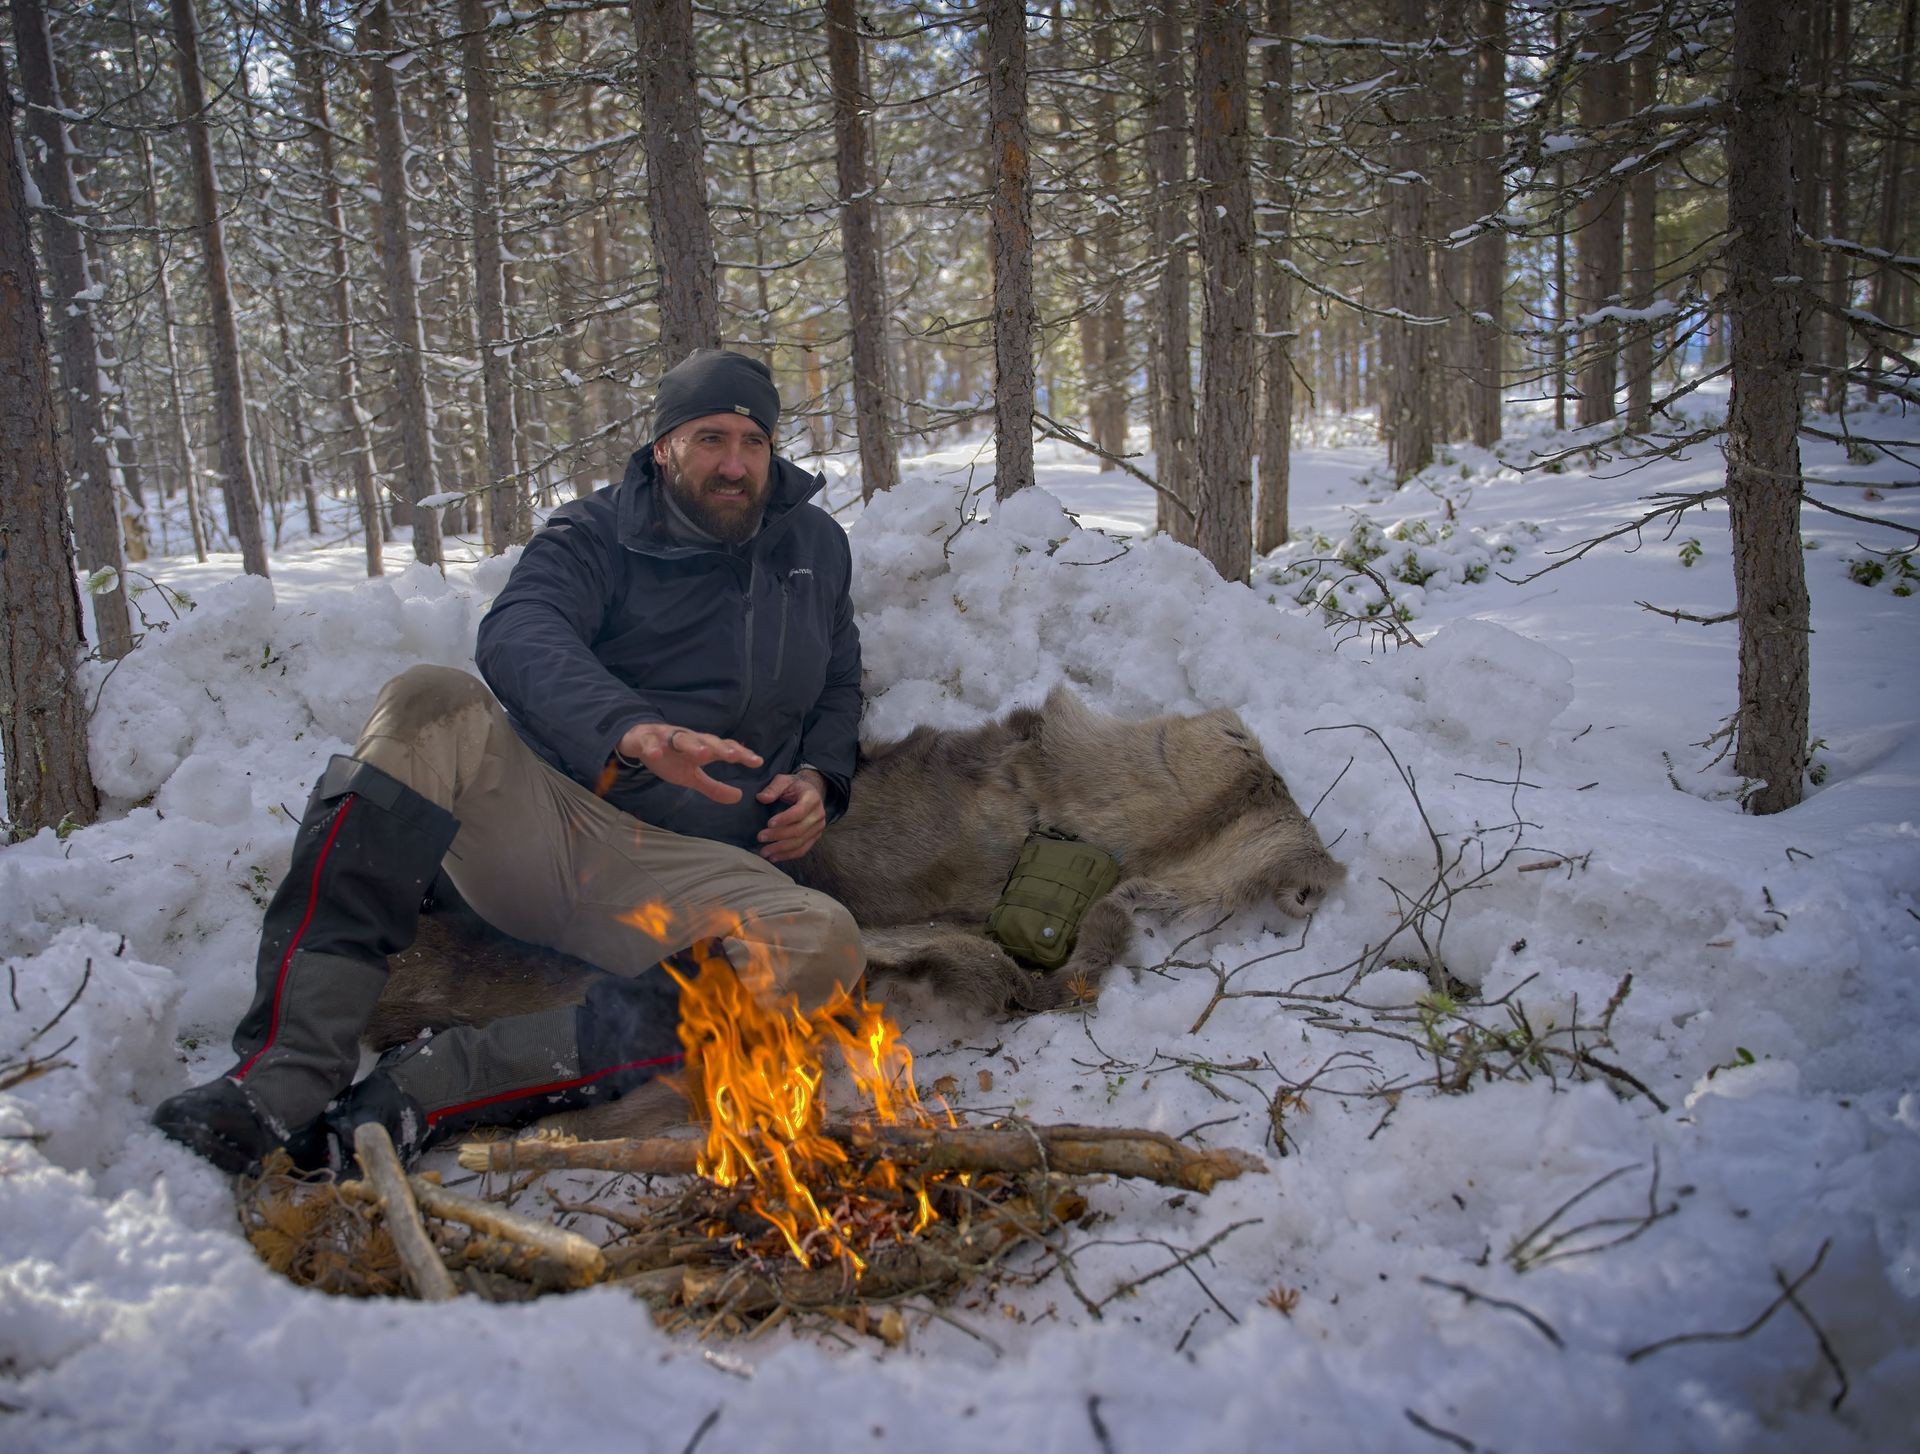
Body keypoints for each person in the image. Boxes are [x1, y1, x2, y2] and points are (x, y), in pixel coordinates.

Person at [152, 350, 865, 1173]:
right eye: (710, 438)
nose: (734, 463)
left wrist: (820, 778)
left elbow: (840, 680)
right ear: (664, 444)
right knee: (429, 698)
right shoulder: (593, 534)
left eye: (752, 439)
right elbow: (518, 632)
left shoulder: (816, 546)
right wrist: (634, 730)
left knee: (822, 942)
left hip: (696, 870)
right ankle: (284, 1074)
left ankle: (438, 1086)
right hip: (555, 826)